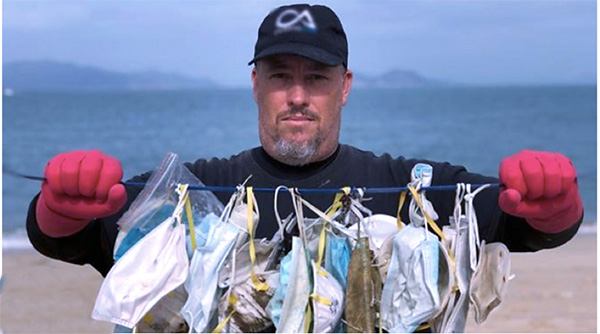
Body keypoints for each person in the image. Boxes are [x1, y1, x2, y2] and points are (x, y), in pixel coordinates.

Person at [27, 3, 583, 283]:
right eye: (279, 76)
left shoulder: (404, 188)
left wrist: (556, 200)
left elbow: (525, 224)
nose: (297, 95)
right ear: (255, 85)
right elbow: (80, 238)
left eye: (316, 78)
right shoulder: (196, 194)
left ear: (344, 88)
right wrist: (59, 205)